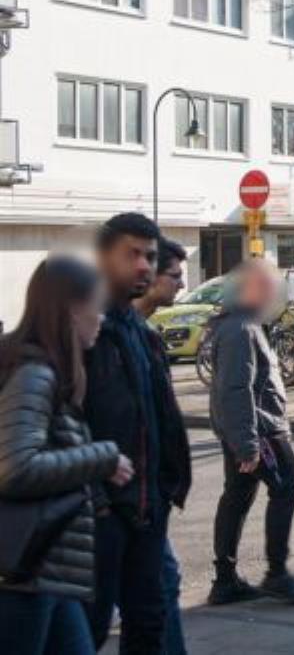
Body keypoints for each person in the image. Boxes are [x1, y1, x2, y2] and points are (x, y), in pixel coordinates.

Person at [0, 258, 134, 655]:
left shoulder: (49, 371)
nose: (102, 318)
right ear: (73, 309)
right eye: (97, 306)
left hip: (47, 569)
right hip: (27, 573)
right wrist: (103, 458)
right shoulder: (34, 373)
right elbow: (16, 467)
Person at [85, 213, 192, 653]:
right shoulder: (85, 329)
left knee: (148, 622)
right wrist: (98, 500)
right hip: (100, 514)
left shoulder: (143, 336)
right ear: (103, 256)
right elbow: (64, 422)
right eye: (132, 254)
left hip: (147, 510)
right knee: (88, 629)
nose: (144, 265)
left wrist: (165, 488)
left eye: (149, 256)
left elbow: (159, 420)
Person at [207, 258, 294, 606]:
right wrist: (248, 445)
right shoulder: (241, 328)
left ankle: (225, 580)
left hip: (248, 429)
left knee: (237, 496)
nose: (272, 292)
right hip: (261, 430)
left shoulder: (240, 323)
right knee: (287, 489)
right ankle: (276, 574)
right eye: (266, 285)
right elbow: (235, 389)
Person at [134, 238, 191, 655]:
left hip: (149, 493)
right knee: (158, 587)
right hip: (128, 498)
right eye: (175, 276)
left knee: (160, 588)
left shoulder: (148, 334)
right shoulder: (113, 333)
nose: (182, 284)